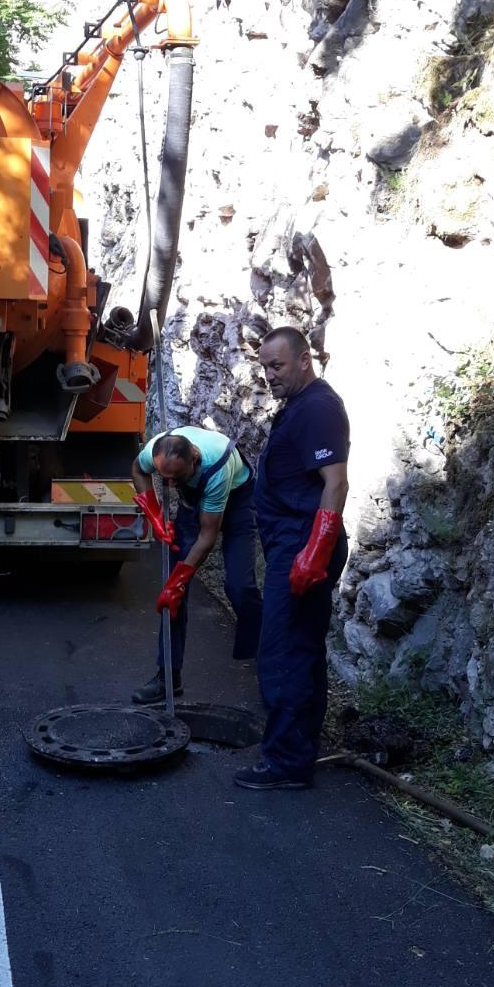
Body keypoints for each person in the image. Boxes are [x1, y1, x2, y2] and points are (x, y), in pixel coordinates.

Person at [235, 326, 350, 792]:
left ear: (304, 360)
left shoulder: (318, 407)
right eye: (264, 367)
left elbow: (336, 483)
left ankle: (285, 763)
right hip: (294, 544)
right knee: (299, 649)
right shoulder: (299, 407)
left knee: (284, 652)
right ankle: (297, 750)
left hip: (304, 547)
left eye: (277, 366)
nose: (269, 375)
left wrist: (314, 554)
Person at [130, 426, 262, 704]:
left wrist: (178, 581)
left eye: (177, 478)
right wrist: (153, 514)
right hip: (196, 501)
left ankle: (267, 662)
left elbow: (207, 536)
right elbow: (138, 471)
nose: (172, 485)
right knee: (172, 599)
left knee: (239, 587)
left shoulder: (215, 467)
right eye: (166, 478)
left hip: (237, 501)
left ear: (194, 460)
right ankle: (168, 676)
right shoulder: (157, 449)